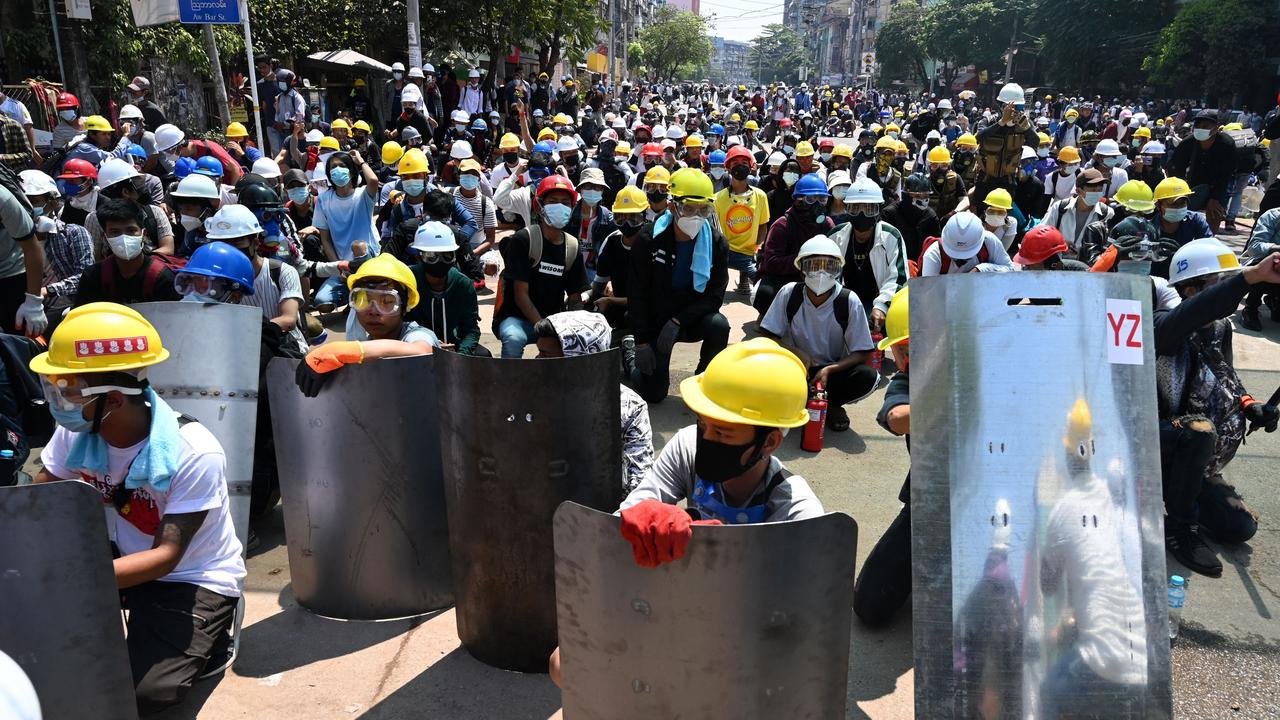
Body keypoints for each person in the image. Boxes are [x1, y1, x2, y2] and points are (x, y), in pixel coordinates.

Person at [31, 303, 245, 713]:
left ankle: (217, 629)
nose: (59, 398)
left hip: (189, 575)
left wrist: (73, 581)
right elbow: (42, 503)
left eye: (68, 387)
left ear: (112, 398)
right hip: (122, 553)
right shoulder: (74, 433)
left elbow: (166, 557)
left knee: (144, 696)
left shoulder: (194, 452)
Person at [1155, 241, 1280, 577]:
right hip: (1161, 445)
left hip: (1199, 461)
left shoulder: (1221, 328)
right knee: (1197, 430)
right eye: (1220, 283)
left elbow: (1225, 376)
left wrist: (1251, 405)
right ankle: (1180, 528)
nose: (1230, 293)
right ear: (1190, 288)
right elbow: (1193, 313)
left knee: (1239, 529)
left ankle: (1187, 491)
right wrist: (1248, 277)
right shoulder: (1165, 326)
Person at [628, 168, 729, 402]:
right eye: (689, 208)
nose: (696, 216)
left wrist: (679, 320)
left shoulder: (716, 242)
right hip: (656, 319)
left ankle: (705, 379)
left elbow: (714, 296)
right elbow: (637, 293)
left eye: (704, 210)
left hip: (689, 317)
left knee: (719, 325)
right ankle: (631, 356)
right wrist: (642, 341)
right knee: (653, 393)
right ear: (672, 206)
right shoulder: (648, 239)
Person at [760, 236, 878, 432]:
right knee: (760, 369)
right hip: (793, 366)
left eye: (829, 266)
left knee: (867, 376)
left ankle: (831, 404)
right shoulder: (790, 293)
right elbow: (767, 337)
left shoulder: (848, 300)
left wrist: (829, 370)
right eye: (814, 266)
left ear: (838, 270)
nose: (821, 273)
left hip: (832, 371)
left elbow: (863, 352)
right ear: (802, 269)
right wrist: (796, 353)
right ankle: (799, 400)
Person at [534, 310, 652, 492]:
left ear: (577, 360)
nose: (536, 361)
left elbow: (640, 477)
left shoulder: (628, 407)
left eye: (545, 355)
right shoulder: (529, 396)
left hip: (603, 503)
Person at [294, 254, 437, 397]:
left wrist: (342, 351)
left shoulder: (416, 334)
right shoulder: (367, 344)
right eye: (363, 300)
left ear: (404, 306)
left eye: (387, 301)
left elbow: (421, 351)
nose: (373, 311)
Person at [854, 287, 912, 626]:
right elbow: (897, 418)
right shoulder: (906, 382)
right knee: (870, 605)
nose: (902, 360)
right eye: (900, 351)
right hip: (931, 503)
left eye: (907, 349)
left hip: (999, 511)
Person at [493, 174, 588, 358]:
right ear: (540, 206)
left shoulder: (572, 246)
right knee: (513, 338)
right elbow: (521, 295)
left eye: (565, 202)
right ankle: (507, 385)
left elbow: (575, 294)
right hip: (518, 318)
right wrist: (543, 328)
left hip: (554, 322)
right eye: (553, 201)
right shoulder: (525, 239)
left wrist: (579, 319)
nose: (559, 206)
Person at [826, 177, 908, 329]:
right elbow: (827, 275)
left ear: (878, 210)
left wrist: (881, 306)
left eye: (869, 209)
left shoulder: (890, 235)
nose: (862, 214)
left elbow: (899, 279)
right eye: (855, 208)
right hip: (842, 301)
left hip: (877, 302)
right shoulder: (835, 235)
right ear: (847, 209)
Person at [20, 169, 92, 331]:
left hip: (65, 308)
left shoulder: (74, 233)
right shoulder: (10, 239)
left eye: (34, 201)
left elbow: (85, 277)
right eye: (23, 202)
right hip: (23, 308)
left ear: (52, 202)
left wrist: (47, 290)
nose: (28, 208)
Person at [74, 199, 181, 306]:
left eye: (131, 230)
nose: (124, 237)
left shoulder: (163, 278)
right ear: (105, 238)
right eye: (115, 232)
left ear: (143, 234)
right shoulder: (93, 277)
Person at [403, 220, 487, 356]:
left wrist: (460, 354)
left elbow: (471, 330)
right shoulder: (407, 281)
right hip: (416, 349)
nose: (440, 261)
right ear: (418, 256)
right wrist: (431, 346)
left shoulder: (463, 285)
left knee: (483, 356)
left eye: (447, 255)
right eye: (431, 256)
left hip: (455, 348)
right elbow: (401, 323)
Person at [755, 173, 833, 316]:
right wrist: (805, 261)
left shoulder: (827, 224)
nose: (818, 205)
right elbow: (772, 263)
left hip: (815, 276)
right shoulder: (782, 225)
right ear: (798, 200)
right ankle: (768, 316)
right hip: (781, 277)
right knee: (764, 295)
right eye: (811, 199)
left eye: (822, 199)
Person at [313, 150, 380, 310]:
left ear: (351, 171)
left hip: (367, 258)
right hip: (344, 265)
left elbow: (373, 180)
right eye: (333, 167)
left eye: (342, 166)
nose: (337, 170)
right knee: (322, 303)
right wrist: (338, 268)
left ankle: (363, 293)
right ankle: (355, 295)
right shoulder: (324, 200)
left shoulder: (362, 194)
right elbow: (325, 239)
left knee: (358, 246)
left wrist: (361, 161)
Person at [1166, 110, 1236, 232]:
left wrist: (1215, 198)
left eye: (1205, 126)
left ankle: (1210, 238)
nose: (1200, 129)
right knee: (1181, 214)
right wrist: (1180, 189)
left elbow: (1226, 174)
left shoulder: (1227, 144)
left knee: (1215, 212)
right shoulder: (1188, 142)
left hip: (1218, 183)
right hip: (1194, 183)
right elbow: (1174, 166)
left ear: (1216, 128)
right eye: (1198, 126)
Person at [714, 146, 769, 295]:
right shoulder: (718, 198)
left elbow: (763, 226)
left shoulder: (760, 196)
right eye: (735, 163)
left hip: (748, 254)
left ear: (751, 167)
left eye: (744, 163)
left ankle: (745, 280)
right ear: (729, 168)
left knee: (764, 290)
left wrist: (757, 249)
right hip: (724, 253)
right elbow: (715, 230)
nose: (740, 166)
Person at [1039, 167, 1113, 259]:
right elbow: (1041, 234)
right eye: (1093, 190)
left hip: (1088, 268)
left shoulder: (1107, 214)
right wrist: (1059, 243)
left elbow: (1109, 247)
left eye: (1100, 189)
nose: (1097, 193)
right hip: (1058, 265)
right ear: (1078, 191)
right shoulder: (1060, 208)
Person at [919, 211, 1014, 276]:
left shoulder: (989, 241)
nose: (962, 258)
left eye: (967, 256)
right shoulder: (933, 254)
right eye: (955, 256)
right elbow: (930, 293)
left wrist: (982, 269)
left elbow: (1010, 271)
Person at [882, 173, 941, 263]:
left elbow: (936, 246)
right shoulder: (890, 214)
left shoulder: (930, 216)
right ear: (906, 195)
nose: (922, 200)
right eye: (917, 196)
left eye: (925, 196)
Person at [1239, 206, 1280, 330]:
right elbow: (1255, 247)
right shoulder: (1273, 215)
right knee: (1268, 263)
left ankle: (1275, 301)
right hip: (1264, 263)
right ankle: (1250, 308)